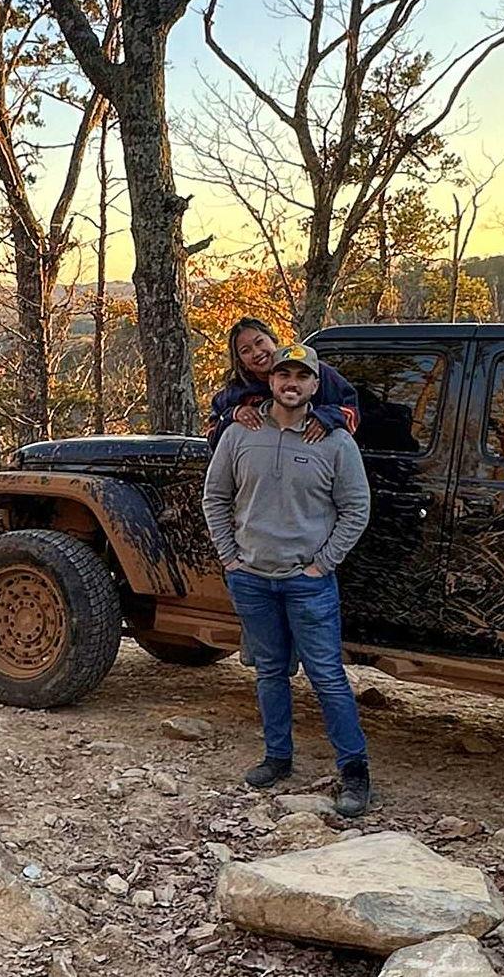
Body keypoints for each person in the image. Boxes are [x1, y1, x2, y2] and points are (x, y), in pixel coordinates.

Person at [202, 344, 373, 817]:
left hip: (308, 582)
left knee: (327, 677)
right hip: (251, 579)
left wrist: (322, 564)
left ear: (315, 385)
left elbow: (357, 509)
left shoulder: (335, 442)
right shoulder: (240, 434)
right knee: (270, 673)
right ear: (271, 382)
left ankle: (354, 770)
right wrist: (230, 558)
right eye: (283, 375)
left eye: (301, 376)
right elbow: (215, 497)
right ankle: (277, 757)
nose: (291, 383)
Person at [206, 318, 359, 450]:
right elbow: (212, 436)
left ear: (273, 339)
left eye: (260, 342)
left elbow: (353, 412)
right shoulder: (236, 391)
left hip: (313, 462)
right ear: (240, 362)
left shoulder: (316, 371)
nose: (257, 353)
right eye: (246, 351)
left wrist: (326, 418)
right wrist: (234, 414)